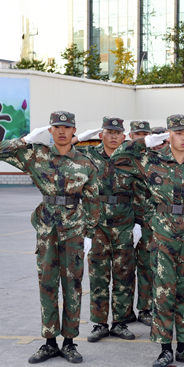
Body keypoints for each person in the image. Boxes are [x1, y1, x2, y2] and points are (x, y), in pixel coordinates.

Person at [0, 111, 100, 364]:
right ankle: (49, 342)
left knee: (72, 286)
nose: (62, 131)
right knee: (47, 284)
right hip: (47, 229)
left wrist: (89, 234)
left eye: (67, 127)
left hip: (74, 230)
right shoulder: (36, 155)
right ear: (49, 130)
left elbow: (93, 201)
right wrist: (25, 140)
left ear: (74, 131)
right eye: (57, 127)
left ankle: (69, 342)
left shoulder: (85, 163)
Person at [113, 115, 184, 367]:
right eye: (178, 133)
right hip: (163, 235)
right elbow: (118, 157)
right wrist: (145, 141)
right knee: (164, 292)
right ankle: (165, 349)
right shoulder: (152, 161)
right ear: (169, 134)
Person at [71, 117, 137, 343]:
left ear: (124, 136)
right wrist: (78, 138)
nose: (114, 136)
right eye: (109, 132)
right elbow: (64, 151)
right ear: (101, 135)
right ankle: (99, 324)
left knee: (124, 274)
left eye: (118, 133)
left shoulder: (130, 158)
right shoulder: (88, 155)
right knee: (98, 275)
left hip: (124, 223)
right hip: (96, 224)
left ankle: (120, 323)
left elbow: (141, 190)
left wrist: (139, 222)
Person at [129, 121, 156, 326]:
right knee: (125, 269)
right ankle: (123, 312)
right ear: (130, 136)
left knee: (147, 267)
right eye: (137, 133)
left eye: (144, 134)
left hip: (149, 222)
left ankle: (145, 309)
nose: (141, 137)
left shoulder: (154, 159)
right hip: (124, 220)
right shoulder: (123, 158)